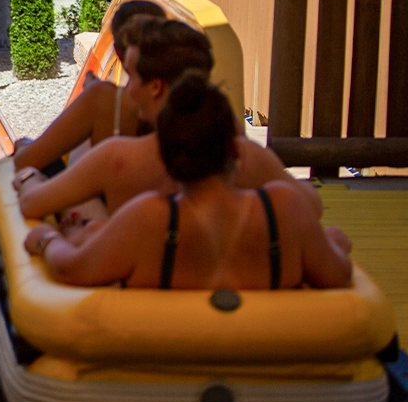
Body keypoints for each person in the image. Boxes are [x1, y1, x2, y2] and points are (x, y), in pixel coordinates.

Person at [23, 73, 353, 289]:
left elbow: (71, 270)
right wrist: (335, 243)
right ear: (235, 151)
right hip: (268, 363)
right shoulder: (284, 208)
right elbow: (338, 276)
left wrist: (47, 240)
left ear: (168, 158)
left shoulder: (147, 219)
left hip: (162, 366)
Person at [15, 17, 321, 222]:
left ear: (156, 87)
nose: (128, 89)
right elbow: (312, 207)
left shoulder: (119, 159)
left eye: (132, 76)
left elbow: (33, 201)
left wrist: (33, 179)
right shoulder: (246, 156)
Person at [12, 0, 166, 176]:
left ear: (117, 51)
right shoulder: (188, 99)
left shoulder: (105, 101)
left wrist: (24, 146)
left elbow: (26, 161)